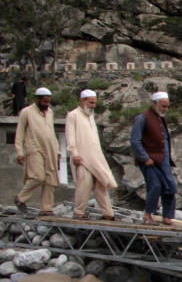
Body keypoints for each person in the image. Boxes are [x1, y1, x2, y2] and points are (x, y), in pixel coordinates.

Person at [65, 89, 116, 220]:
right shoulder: (73, 115)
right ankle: (78, 212)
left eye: (94, 103)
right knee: (84, 183)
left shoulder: (91, 116)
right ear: (83, 101)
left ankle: (108, 213)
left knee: (101, 183)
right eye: (91, 103)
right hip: (81, 157)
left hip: (95, 157)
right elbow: (70, 137)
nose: (93, 105)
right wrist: (74, 153)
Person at [130, 91, 177, 225]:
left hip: (163, 160)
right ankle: (147, 215)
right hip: (150, 161)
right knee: (155, 186)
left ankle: (167, 216)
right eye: (163, 106)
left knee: (169, 186)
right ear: (155, 104)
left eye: (167, 106)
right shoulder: (142, 118)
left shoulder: (160, 117)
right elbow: (135, 140)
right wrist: (145, 158)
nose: (165, 109)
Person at [13, 86, 59, 215]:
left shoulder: (50, 112)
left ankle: (46, 208)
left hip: (50, 149)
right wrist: (20, 152)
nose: (46, 104)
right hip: (34, 148)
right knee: (38, 177)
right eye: (44, 101)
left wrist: (57, 150)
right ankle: (20, 198)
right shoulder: (26, 112)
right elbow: (20, 133)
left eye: (48, 102)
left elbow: (51, 131)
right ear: (37, 99)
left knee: (50, 179)